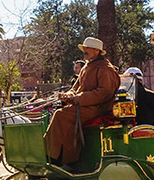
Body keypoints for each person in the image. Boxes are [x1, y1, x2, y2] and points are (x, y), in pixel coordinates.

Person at [44, 37, 120, 165]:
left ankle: (54, 157)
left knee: (61, 115)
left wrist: (77, 99)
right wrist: (66, 96)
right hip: (84, 106)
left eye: (87, 48)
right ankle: (58, 153)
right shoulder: (87, 67)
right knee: (58, 112)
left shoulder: (105, 68)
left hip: (96, 109)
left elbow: (104, 93)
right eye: (84, 48)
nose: (84, 50)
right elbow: (75, 89)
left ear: (97, 51)